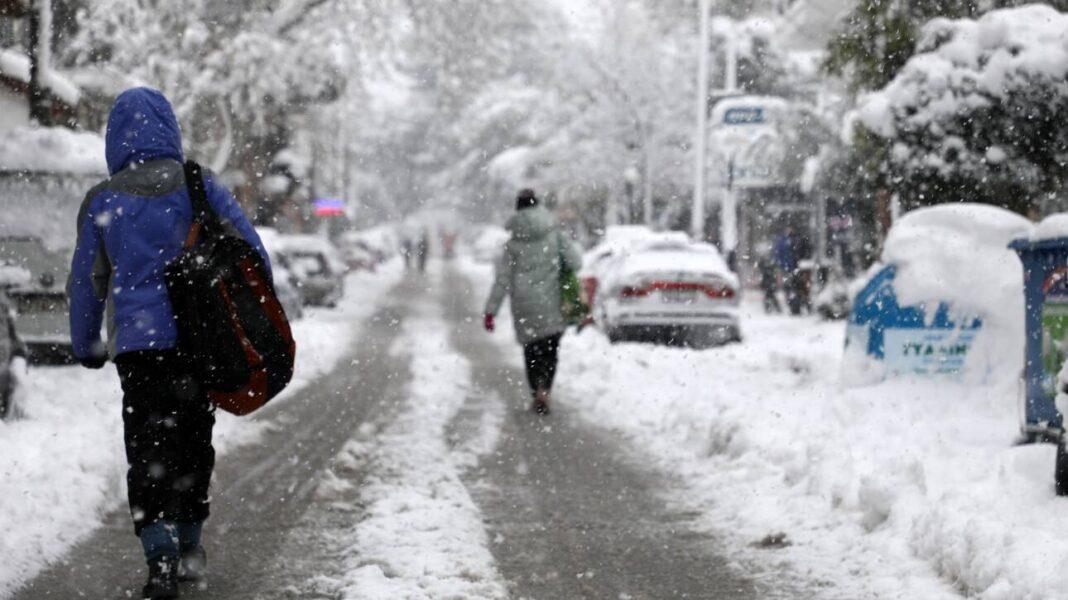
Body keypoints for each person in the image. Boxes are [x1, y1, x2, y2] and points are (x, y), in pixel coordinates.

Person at [68, 88, 270, 599]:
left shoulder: (102, 200)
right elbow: (251, 252)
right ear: (169, 130)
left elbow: (86, 281)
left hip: (138, 349)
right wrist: (256, 313)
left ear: (115, 138)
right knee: (192, 441)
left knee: (146, 446)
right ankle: (190, 546)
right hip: (195, 340)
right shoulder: (199, 185)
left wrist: (85, 342)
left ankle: (158, 554)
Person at [483, 188, 581, 415]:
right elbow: (576, 262)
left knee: (531, 351)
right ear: (538, 206)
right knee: (551, 349)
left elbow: (502, 281)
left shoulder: (513, 245)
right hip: (552, 300)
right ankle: (545, 389)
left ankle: (536, 388)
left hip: (524, 304)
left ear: (517, 210)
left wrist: (490, 312)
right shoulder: (555, 235)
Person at [773, 227, 802, 316]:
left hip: (791, 267)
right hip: (788, 267)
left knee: (791, 287)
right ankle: (793, 305)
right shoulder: (784, 241)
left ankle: (794, 305)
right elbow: (778, 253)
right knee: (789, 287)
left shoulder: (790, 241)